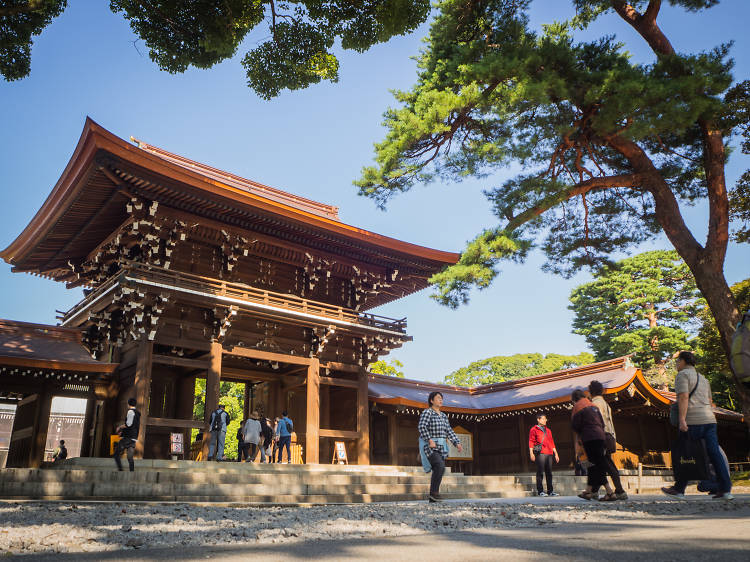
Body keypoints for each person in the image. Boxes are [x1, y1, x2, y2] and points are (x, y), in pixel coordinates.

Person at [662, 351, 733, 500]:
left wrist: (682, 419)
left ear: (682, 361)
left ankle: (679, 489)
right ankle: (725, 489)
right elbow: (709, 400)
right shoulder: (704, 379)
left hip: (693, 421)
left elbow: (683, 397)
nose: (676, 365)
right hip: (709, 420)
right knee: (715, 454)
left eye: (677, 362)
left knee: (684, 452)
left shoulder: (682, 375)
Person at [418, 391, 463, 503]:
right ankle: (434, 493)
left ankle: (433, 495)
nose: (441, 400)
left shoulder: (443, 416)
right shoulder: (427, 412)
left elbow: (449, 430)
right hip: (430, 446)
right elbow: (422, 426)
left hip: (441, 447)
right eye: (438, 398)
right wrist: (429, 439)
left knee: (439, 468)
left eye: (441, 398)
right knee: (439, 465)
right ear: (431, 400)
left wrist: (457, 442)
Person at [588, 380, 628, 500]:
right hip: (609, 435)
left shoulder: (595, 404)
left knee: (607, 464)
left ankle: (620, 490)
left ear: (591, 391)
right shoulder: (605, 403)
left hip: (601, 436)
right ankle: (594, 490)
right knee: (599, 464)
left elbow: (597, 422)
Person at [570, 389, 611, 501]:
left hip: (589, 437)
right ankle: (589, 491)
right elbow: (602, 423)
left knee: (595, 465)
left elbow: (575, 425)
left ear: (574, 399)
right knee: (594, 464)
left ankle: (610, 492)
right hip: (600, 435)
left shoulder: (578, 406)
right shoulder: (593, 405)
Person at [528, 413, 560, 497]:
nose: (545, 420)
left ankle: (550, 491)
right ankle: (540, 491)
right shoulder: (534, 429)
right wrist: (531, 453)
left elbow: (552, 442)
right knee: (540, 472)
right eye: (543, 419)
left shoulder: (548, 430)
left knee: (549, 472)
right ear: (538, 419)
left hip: (549, 453)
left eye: (545, 419)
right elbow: (531, 441)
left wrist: (556, 453)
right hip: (540, 453)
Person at [114, 397, 140, 472]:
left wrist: (119, 427)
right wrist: (123, 432)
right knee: (130, 458)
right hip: (133, 438)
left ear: (128, 404)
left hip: (128, 438)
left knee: (116, 454)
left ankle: (120, 470)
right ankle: (132, 472)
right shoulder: (138, 413)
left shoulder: (130, 412)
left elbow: (128, 424)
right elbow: (133, 426)